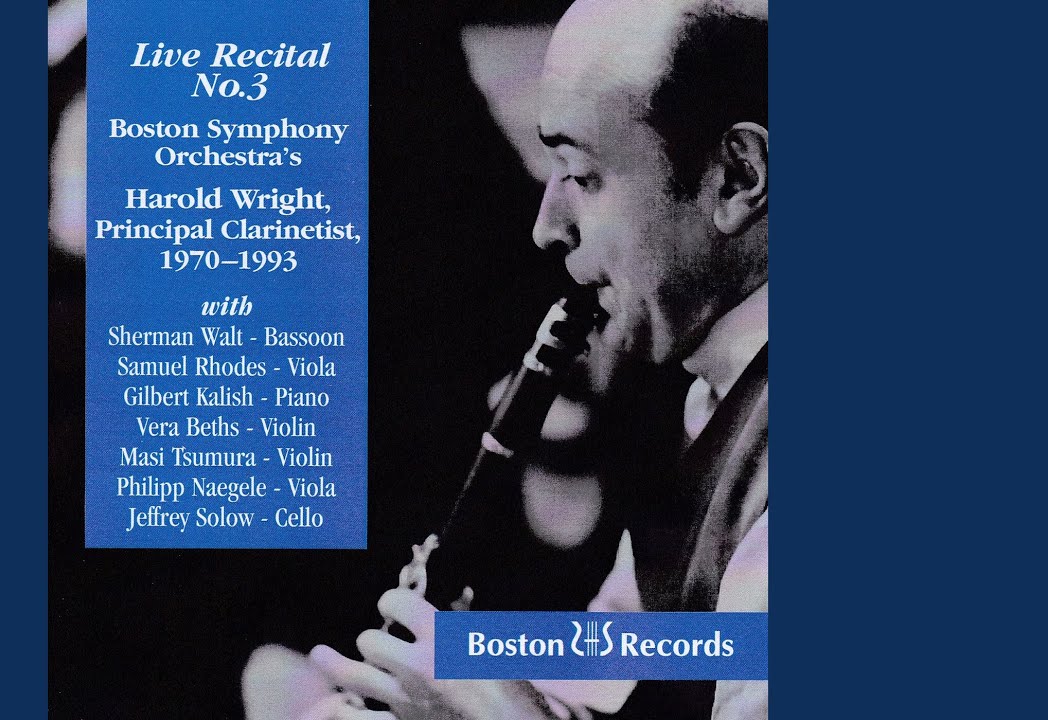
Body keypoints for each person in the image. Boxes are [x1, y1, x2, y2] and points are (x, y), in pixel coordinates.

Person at [253, 0, 770, 717]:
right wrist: (439, 673)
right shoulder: (718, 392)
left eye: (581, 174)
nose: (546, 228)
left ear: (737, 177)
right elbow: (631, 663)